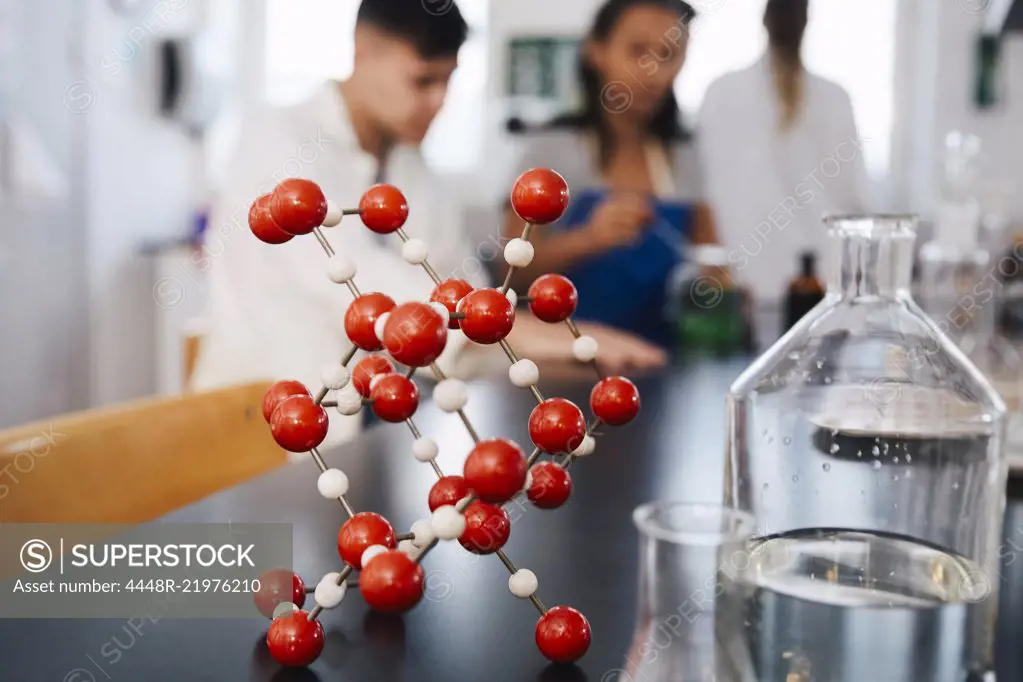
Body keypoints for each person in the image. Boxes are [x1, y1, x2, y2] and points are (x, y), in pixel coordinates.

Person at [191, 0, 665, 446]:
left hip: (369, 431)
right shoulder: (276, 139)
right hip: (260, 430)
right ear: (365, 50)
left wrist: (556, 347)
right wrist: (512, 328)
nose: (439, 101)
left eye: (448, 81)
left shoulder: (417, 170)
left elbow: (458, 281)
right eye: (423, 81)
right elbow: (348, 277)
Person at [502, 0, 719, 349]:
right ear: (596, 51)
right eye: (637, 51)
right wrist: (590, 238)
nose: (654, 71)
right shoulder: (550, 149)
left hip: (660, 358)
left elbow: (711, 262)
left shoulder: (684, 154)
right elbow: (510, 272)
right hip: (566, 353)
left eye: (669, 54)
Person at [698, 0, 870, 303]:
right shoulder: (724, 93)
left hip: (813, 290)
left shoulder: (833, 98)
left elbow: (853, 205)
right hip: (749, 291)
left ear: (764, 19)